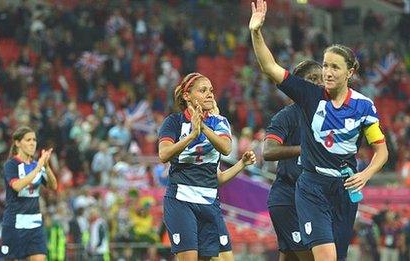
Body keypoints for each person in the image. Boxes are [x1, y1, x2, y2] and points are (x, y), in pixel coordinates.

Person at [249, 1, 389, 261]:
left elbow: (381, 151)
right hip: (312, 187)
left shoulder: (364, 106)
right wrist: (256, 32)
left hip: (345, 189)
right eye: (325, 65)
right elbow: (270, 67)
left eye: (335, 67)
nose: (327, 72)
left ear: (351, 72)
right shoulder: (309, 96)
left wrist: (366, 174)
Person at [158, 72, 232, 260]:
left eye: (211, 90)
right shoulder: (173, 122)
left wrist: (203, 128)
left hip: (209, 200)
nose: (210, 94)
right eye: (203, 90)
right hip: (181, 199)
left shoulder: (220, 122)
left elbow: (226, 148)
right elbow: (164, 154)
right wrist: (192, 135)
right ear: (187, 95)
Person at [263, 60, 322, 261]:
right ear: (297, 84)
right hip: (288, 198)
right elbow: (268, 151)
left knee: (290, 257)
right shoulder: (287, 116)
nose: (319, 83)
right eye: (312, 79)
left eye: (322, 79)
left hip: (311, 200)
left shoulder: (328, 116)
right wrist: (305, 149)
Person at [0, 126, 58, 260]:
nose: (32, 143)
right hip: (15, 224)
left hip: (35, 224)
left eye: (34, 140)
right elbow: (17, 186)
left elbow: (53, 186)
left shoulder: (37, 164)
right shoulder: (11, 165)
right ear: (18, 143)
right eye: (28, 140)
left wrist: (46, 167)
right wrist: (38, 167)